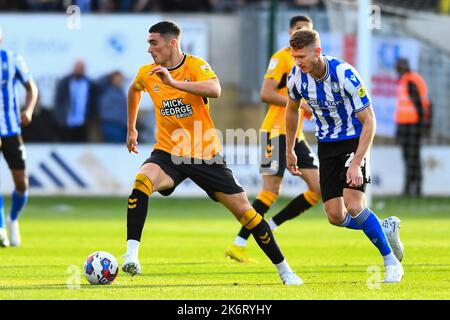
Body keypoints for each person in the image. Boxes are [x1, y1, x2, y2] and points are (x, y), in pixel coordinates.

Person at [122, 21, 302, 285]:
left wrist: (174, 82)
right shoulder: (146, 72)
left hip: (205, 154)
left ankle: (285, 270)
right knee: (141, 181)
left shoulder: (195, 65)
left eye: (154, 43)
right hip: (168, 152)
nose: (149, 49)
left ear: (172, 43)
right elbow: (134, 90)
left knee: (247, 214)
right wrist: (131, 128)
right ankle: (131, 256)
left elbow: (215, 89)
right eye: (149, 43)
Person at [286, 29, 404, 282]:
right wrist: (290, 149)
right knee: (336, 217)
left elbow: (370, 121)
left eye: (301, 56)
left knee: (354, 205)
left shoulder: (345, 74)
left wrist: (357, 163)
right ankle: (384, 228)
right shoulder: (296, 77)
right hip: (326, 145)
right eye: (294, 56)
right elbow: (291, 110)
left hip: (354, 140)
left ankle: (391, 262)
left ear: (317, 52)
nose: (297, 62)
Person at [225, 15, 322, 263]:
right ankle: (238, 243)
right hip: (275, 133)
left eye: (307, 31)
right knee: (270, 192)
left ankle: (273, 224)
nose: (301, 33)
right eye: (298, 30)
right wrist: (299, 104)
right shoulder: (281, 58)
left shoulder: (310, 63)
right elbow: (265, 93)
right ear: (289, 32)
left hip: (295, 136)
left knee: (318, 189)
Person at [0, 26, 39, 247]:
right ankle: (0, 230)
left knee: (21, 184)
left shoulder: (12, 59)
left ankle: (12, 219)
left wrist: (29, 109)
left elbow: (31, 87)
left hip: (11, 130)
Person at [395, 58, 430, 196]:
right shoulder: (406, 80)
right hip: (406, 124)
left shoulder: (410, 81)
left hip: (412, 125)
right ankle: (412, 188)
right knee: (410, 157)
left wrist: (423, 125)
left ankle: (413, 188)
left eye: (398, 66)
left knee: (412, 157)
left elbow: (420, 105)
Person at [53, 59, 97, 142]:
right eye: (78, 67)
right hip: (66, 123)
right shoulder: (64, 82)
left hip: (83, 123)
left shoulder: (90, 83)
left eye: (81, 68)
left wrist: (90, 119)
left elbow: (93, 103)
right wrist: (60, 119)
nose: (79, 70)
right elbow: (58, 101)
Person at [97, 71, 127, 143]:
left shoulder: (121, 92)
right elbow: (98, 82)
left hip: (122, 125)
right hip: (110, 124)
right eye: (116, 79)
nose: (119, 81)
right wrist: (109, 75)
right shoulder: (105, 90)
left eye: (120, 79)